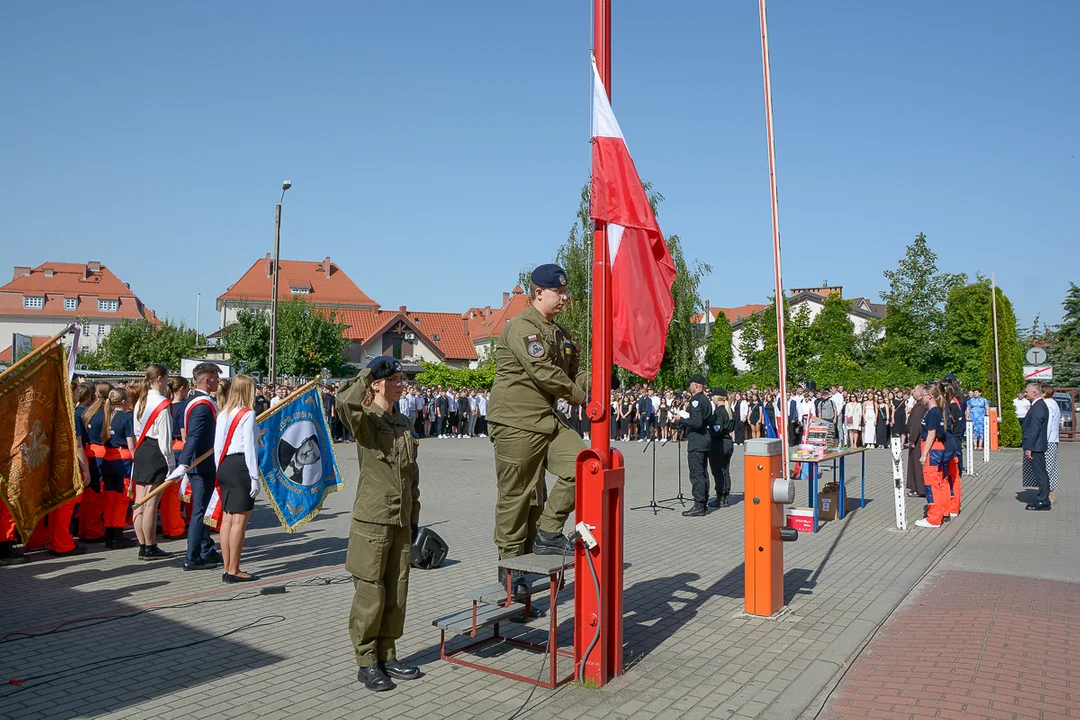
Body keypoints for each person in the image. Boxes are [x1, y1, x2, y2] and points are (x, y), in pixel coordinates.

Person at [486, 263, 585, 586]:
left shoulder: (560, 333)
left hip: (546, 420)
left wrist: (599, 378)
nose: (564, 298)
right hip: (516, 422)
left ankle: (548, 531)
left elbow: (572, 375)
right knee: (519, 498)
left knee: (583, 467)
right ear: (538, 293)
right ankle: (512, 573)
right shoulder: (522, 327)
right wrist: (578, 395)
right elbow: (544, 372)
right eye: (558, 292)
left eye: (565, 292)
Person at [337, 356, 422, 692]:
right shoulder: (367, 422)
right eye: (393, 379)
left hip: (400, 521)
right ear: (376, 384)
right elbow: (345, 401)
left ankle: (388, 654)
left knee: (395, 592)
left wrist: (414, 518)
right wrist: (368, 371)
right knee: (370, 594)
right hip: (373, 521)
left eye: (402, 378)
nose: (401, 384)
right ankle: (367, 661)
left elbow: (411, 477)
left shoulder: (402, 423)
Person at [214, 375, 262, 583]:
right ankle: (234, 569)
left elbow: (217, 446)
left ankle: (227, 566)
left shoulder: (223, 413)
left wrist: (220, 468)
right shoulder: (248, 414)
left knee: (227, 519)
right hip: (242, 466)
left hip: (225, 464)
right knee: (239, 521)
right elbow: (250, 448)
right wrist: (255, 477)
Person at [176, 362, 223, 570]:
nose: (218, 381)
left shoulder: (197, 401)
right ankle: (192, 557)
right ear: (207, 380)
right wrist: (183, 463)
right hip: (200, 464)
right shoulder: (202, 406)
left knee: (201, 510)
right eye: (215, 377)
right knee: (199, 511)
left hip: (201, 462)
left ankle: (206, 548)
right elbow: (193, 437)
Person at [131, 365, 176, 559]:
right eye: (166, 378)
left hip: (142, 450)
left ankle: (142, 545)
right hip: (156, 452)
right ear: (159, 378)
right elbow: (165, 440)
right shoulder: (162, 404)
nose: (168, 381)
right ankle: (149, 546)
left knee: (139, 502)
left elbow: (135, 430)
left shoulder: (141, 400)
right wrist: (172, 464)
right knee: (150, 504)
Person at [915, 384, 951, 528]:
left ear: (930, 396)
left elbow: (931, 434)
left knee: (931, 483)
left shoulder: (933, 412)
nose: (921, 397)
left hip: (932, 449)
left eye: (923, 395)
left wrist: (924, 455)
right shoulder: (936, 411)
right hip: (936, 449)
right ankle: (940, 512)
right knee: (938, 482)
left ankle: (934, 518)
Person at [679, 373, 713, 517]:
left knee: (697, 473)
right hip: (704, 440)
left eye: (691, 384)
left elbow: (697, 422)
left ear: (697, 385)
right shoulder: (705, 400)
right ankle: (703, 502)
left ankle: (699, 505)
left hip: (697, 440)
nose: (689, 386)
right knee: (703, 472)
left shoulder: (696, 401)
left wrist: (681, 419)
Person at [1020, 382, 1051, 511]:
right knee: (1040, 473)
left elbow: (1035, 429)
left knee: (1040, 474)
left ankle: (1043, 500)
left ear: (1035, 392)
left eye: (1027, 391)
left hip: (1036, 447)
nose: (1025, 393)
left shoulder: (1038, 406)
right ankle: (1043, 498)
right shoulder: (1037, 405)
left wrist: (1029, 448)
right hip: (1036, 445)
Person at [707, 388, 735, 508]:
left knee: (718, 471)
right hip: (728, 442)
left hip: (719, 444)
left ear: (717, 398)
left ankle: (720, 497)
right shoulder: (729, 411)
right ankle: (725, 497)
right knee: (725, 471)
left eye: (712, 396)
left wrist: (708, 430)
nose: (711, 398)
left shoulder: (719, 411)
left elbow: (717, 429)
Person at [905, 385, 927, 497]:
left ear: (919, 393)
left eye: (914, 390)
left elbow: (915, 425)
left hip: (918, 441)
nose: (912, 392)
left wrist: (912, 439)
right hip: (918, 439)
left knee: (916, 464)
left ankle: (919, 488)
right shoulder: (921, 406)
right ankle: (916, 487)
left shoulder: (919, 408)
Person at [1041, 384, 1061, 503]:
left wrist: (1043, 440)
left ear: (1044, 393)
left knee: (1046, 468)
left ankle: (1048, 495)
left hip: (1048, 440)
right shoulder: (1054, 403)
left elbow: (1047, 425)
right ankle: (1050, 494)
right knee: (1051, 468)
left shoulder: (1048, 405)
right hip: (1053, 440)